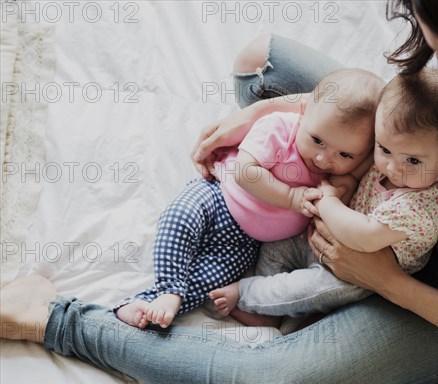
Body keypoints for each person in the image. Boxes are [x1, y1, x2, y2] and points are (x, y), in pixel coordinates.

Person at [1, 1, 438, 384]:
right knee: (261, 61)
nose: (435, 61)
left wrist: (387, 281)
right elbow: (413, 102)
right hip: (403, 167)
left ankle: (53, 318)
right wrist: (275, 112)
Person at [115, 68, 384, 329]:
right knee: (181, 217)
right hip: (218, 197)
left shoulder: (338, 172)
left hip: (245, 242)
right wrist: (292, 197)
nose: (324, 159)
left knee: (211, 280)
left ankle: (145, 305)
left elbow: (350, 184)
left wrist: (340, 189)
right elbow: (246, 172)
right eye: (317, 140)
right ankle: (169, 287)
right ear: (302, 111)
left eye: (345, 155)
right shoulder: (280, 128)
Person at [210, 70, 438, 324]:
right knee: (277, 248)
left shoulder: (420, 206)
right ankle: (267, 314)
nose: (392, 167)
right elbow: (347, 142)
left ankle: (248, 294)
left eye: (412, 160)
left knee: (315, 289)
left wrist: (328, 201)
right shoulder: (396, 154)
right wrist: (343, 186)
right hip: (325, 233)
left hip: (360, 271)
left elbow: (365, 236)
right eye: (384, 149)